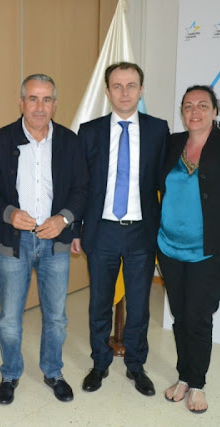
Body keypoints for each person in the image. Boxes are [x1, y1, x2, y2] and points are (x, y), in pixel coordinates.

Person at [0, 74, 88, 404]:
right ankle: (10, 373)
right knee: (9, 319)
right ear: (21, 102)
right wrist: (8, 213)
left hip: (56, 242)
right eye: (33, 99)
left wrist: (64, 218)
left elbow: (82, 189)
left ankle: (53, 371)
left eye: (46, 99)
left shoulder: (70, 142)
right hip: (13, 242)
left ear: (55, 104)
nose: (39, 107)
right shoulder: (1, 140)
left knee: (56, 317)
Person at [157, 85, 220, 413]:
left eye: (202, 105)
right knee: (180, 316)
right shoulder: (172, 143)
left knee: (198, 317)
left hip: (210, 252)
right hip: (169, 248)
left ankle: (197, 383)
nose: (195, 111)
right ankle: (183, 377)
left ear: (215, 111)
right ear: (182, 112)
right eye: (188, 106)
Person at [75, 62, 169, 397]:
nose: (125, 92)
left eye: (131, 85)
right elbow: (81, 185)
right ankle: (99, 363)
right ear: (107, 91)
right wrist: (76, 230)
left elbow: (165, 182)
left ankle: (136, 365)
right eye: (117, 86)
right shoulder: (90, 131)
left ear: (142, 90)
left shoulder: (158, 130)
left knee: (139, 306)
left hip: (141, 232)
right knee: (99, 304)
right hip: (102, 231)